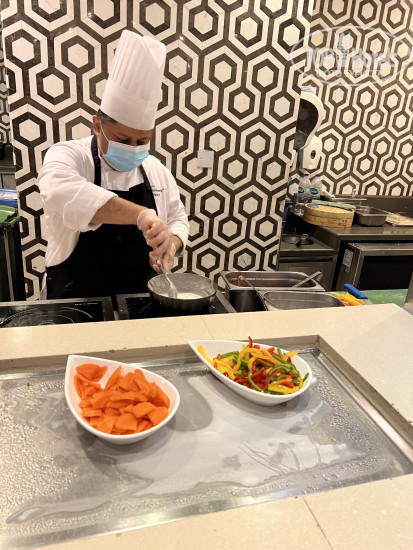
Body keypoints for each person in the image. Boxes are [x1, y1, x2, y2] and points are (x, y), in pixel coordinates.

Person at [38, 30, 189, 299]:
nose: (133, 148)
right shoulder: (68, 156)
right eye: (122, 139)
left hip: (140, 303)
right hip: (75, 302)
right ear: (97, 125)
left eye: (142, 141)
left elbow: (178, 219)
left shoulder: (156, 170)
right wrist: (143, 215)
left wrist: (171, 245)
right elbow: (68, 196)